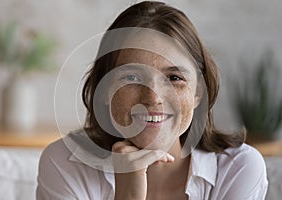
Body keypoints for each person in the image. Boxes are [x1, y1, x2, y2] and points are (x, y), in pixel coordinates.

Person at [36, 1, 268, 200]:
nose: (153, 98)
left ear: (198, 93)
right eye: (132, 77)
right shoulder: (64, 164)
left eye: (174, 78)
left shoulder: (238, 169)